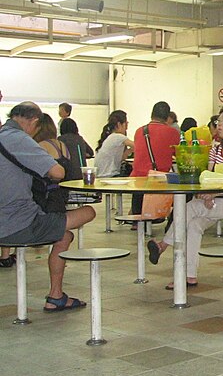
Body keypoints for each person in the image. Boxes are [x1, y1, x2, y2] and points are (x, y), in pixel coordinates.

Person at [147, 106, 223, 287]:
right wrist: (207, 194)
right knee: (193, 225)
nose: (218, 124)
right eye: (218, 121)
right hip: (216, 200)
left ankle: (162, 245)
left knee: (190, 207)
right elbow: (209, 175)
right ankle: (188, 275)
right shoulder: (215, 149)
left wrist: (214, 193)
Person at [0, 102, 95, 310]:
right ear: (34, 121)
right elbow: (57, 173)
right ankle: (55, 296)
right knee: (88, 212)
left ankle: (56, 296)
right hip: (19, 222)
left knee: (64, 235)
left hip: (7, 218)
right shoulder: (18, 138)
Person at [130, 102, 181, 214]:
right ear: (168, 117)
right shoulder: (172, 132)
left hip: (137, 179)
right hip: (158, 180)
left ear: (152, 114)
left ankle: (136, 221)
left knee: (139, 217)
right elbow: (179, 155)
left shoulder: (139, 131)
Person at [94, 110, 134, 177]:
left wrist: (130, 150)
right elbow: (138, 145)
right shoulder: (117, 136)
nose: (126, 128)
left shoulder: (111, 137)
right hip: (110, 176)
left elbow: (121, 158)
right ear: (119, 124)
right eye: (126, 124)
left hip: (101, 176)